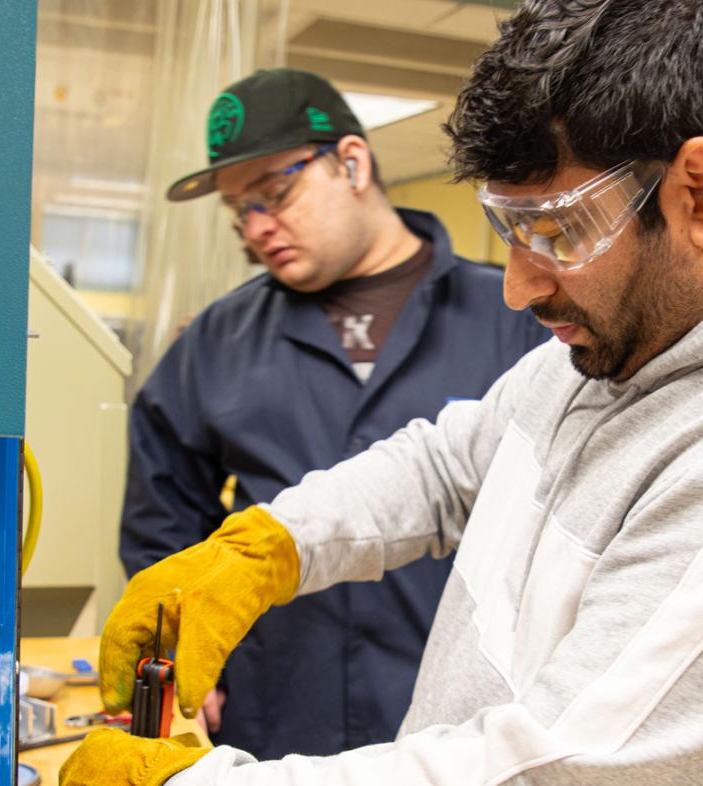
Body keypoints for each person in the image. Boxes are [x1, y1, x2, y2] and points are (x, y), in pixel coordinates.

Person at [65, 0, 703, 782]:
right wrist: (265, 549)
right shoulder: (627, 348)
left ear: (701, 195)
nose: (519, 289)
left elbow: (556, 768)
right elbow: (450, 465)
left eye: (555, 231)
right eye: (507, 231)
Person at [117, 68, 547, 760]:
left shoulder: (513, 317)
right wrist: (180, 664)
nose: (258, 228)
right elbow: (161, 520)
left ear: (352, 161)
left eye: (275, 194)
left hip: (463, 723)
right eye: (239, 214)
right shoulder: (215, 342)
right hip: (276, 713)